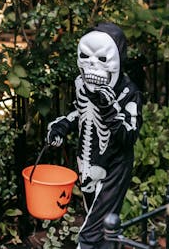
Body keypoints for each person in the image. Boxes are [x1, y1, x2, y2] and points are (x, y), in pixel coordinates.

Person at [45, 22, 143, 249]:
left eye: (101, 59)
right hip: (87, 164)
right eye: (85, 57)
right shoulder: (81, 84)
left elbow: (129, 137)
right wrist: (60, 127)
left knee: (88, 235)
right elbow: (79, 114)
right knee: (104, 226)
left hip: (114, 167)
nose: (92, 66)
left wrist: (109, 107)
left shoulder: (129, 92)